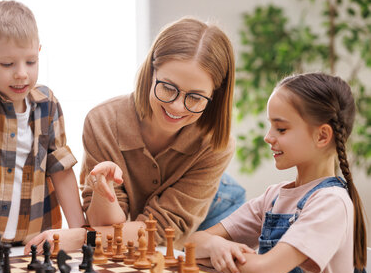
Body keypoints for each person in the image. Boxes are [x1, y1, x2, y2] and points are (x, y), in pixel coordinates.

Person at [26, 17, 243, 252]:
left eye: (196, 98)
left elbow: (159, 231)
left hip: (217, 210)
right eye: (168, 88)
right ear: (151, 71)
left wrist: (80, 238)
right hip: (143, 231)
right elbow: (106, 227)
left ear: (215, 96)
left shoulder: (215, 145)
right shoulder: (103, 122)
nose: (178, 106)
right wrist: (103, 188)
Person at [188, 72, 371, 273]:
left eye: (281, 129)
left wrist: (219, 255)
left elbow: (262, 272)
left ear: (322, 136)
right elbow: (191, 244)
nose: (267, 137)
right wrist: (216, 245)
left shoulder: (331, 202)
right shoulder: (273, 197)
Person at [0, 0, 85, 245]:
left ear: (39, 51)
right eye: (8, 64)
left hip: (37, 237)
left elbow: (61, 169)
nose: (22, 73)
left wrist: (81, 232)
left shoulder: (48, 103)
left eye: (31, 61)